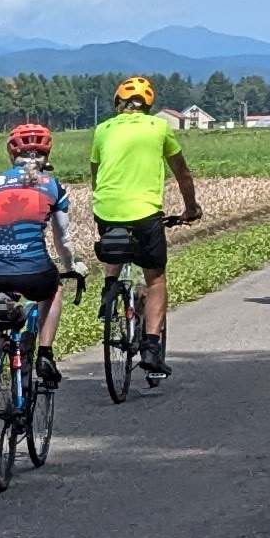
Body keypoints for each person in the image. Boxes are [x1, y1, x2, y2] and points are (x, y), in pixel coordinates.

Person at [88, 76, 204, 375]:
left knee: (115, 243)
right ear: (148, 106)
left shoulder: (102, 130)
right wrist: (190, 209)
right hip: (145, 213)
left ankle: (109, 290)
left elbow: (96, 176)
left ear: (118, 103)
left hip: (106, 208)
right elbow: (183, 174)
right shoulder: (160, 127)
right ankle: (151, 347)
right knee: (155, 280)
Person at [0, 120, 79, 405]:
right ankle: (45, 352)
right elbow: (62, 238)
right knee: (53, 288)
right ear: (47, 155)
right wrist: (71, 266)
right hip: (33, 270)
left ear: (11, 153)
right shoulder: (53, 186)